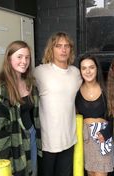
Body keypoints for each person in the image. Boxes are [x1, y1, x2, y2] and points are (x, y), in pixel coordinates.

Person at [0, 40, 42, 176]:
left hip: (31, 137)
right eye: (19, 56)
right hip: (12, 143)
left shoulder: (30, 84)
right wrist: (4, 164)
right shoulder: (1, 89)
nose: (24, 61)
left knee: (32, 172)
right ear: (9, 58)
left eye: (27, 57)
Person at [34, 31, 82, 176]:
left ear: (70, 49)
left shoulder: (76, 73)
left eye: (66, 46)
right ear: (51, 49)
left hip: (69, 138)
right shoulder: (39, 72)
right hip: (47, 141)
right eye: (58, 46)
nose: (63, 49)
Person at [75, 54, 114, 176]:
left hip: (102, 136)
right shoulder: (76, 89)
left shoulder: (107, 88)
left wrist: (107, 132)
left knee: (100, 173)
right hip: (85, 138)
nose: (88, 71)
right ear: (80, 71)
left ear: (97, 69)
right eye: (84, 68)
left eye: (91, 67)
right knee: (90, 172)